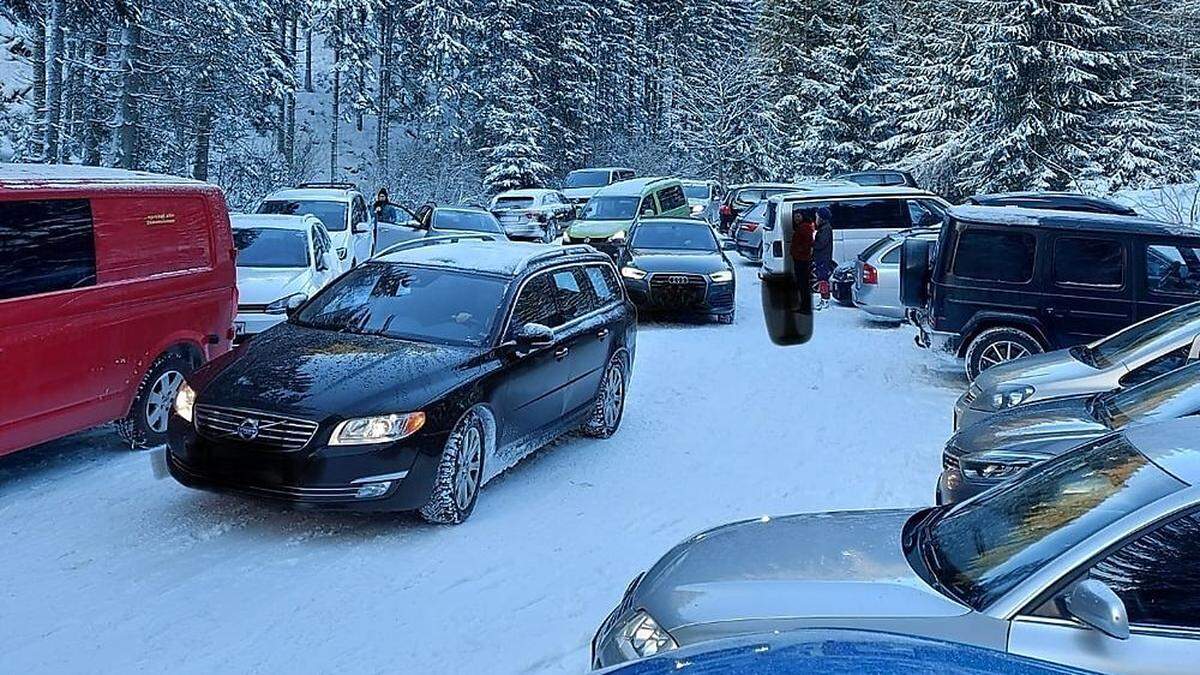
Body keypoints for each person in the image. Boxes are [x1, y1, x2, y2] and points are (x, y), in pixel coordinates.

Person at [812, 206, 835, 310]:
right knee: (821, 278)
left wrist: (812, 243)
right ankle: (823, 298)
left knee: (823, 279)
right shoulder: (823, 228)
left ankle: (825, 299)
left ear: (822, 218)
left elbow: (821, 243)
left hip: (823, 258)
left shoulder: (825, 229)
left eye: (817, 217)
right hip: (821, 257)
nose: (815, 219)